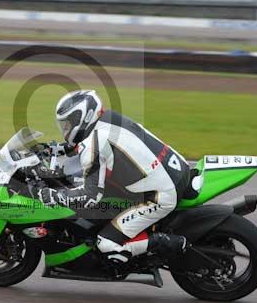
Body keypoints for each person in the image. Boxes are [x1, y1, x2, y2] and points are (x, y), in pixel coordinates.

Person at [35, 90, 190, 264]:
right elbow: (95, 144)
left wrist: (53, 196)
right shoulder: (108, 118)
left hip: (159, 195)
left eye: (69, 124)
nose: (66, 129)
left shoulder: (94, 145)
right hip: (177, 168)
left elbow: (90, 196)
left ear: (83, 119)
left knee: (106, 243)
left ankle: (165, 242)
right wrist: (60, 149)